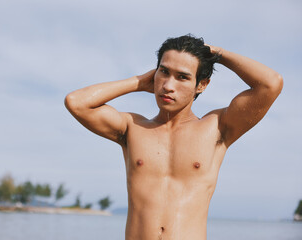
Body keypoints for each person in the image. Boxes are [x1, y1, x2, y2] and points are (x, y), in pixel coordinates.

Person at [64, 34, 283, 240]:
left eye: (182, 77)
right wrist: (139, 82)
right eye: (164, 72)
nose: (168, 86)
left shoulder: (216, 128)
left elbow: (270, 83)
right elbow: (76, 102)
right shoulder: (133, 128)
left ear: (202, 84)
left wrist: (218, 53)